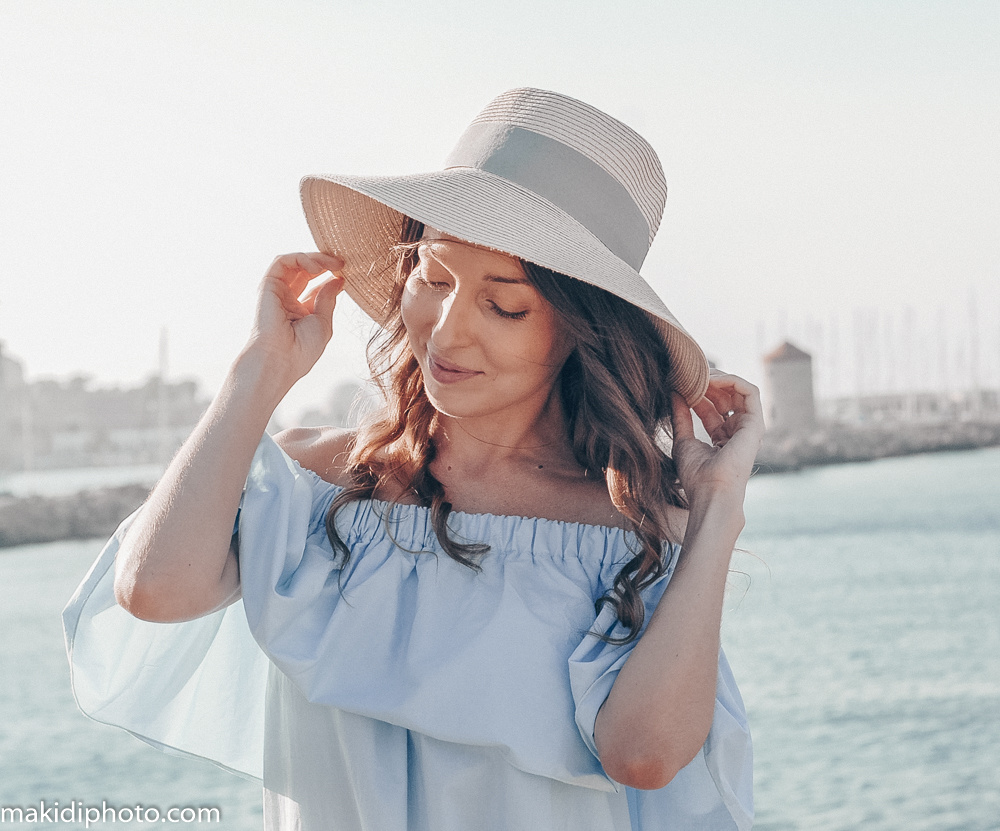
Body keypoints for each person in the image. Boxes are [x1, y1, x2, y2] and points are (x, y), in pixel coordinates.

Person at [64, 88, 762, 830]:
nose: (447, 331)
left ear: (579, 330)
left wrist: (716, 511)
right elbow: (152, 589)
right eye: (432, 279)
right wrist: (259, 370)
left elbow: (646, 756)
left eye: (506, 305)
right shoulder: (317, 487)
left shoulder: (632, 537)